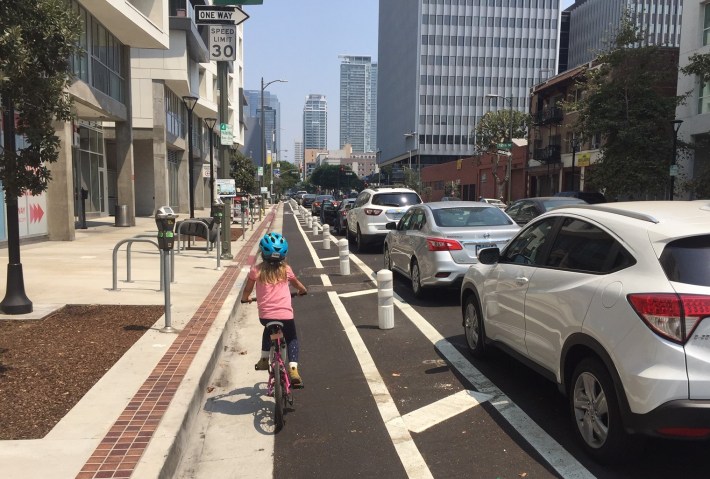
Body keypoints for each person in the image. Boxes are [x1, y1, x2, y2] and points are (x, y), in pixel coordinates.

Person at [241, 232, 308, 386]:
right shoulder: (286, 270)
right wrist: (302, 290)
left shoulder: (256, 271)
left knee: (268, 328)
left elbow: (247, 291)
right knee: (292, 338)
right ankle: (293, 368)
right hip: (285, 315)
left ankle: (264, 358)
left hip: (265, 316)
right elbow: (298, 285)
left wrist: (246, 299)